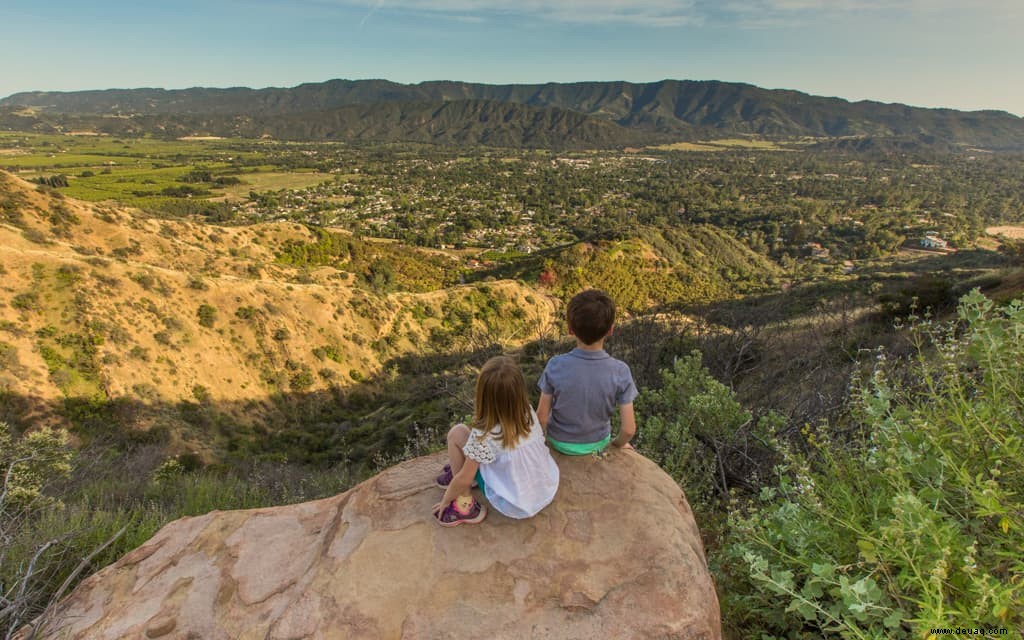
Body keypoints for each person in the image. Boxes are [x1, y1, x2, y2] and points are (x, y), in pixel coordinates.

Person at [433, 356, 560, 526]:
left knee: (457, 433)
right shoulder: (528, 412)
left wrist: (447, 500)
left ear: (483, 395)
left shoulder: (484, 434)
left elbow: (464, 478)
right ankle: (462, 467)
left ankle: (465, 506)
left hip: (513, 503)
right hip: (544, 490)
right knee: (485, 452)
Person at [536, 289, 638, 455]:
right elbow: (628, 430)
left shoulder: (555, 365)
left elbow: (541, 418)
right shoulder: (621, 371)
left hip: (559, 442)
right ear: (610, 330)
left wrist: (542, 445)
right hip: (598, 444)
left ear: (570, 329)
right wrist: (617, 445)